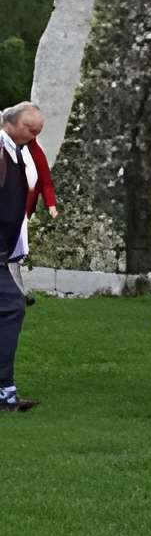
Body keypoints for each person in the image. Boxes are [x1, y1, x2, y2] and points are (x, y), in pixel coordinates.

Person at [0, 101, 42, 412]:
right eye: (30, 128)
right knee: (12, 306)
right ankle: (4, 392)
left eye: (38, 130)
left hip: (3, 251)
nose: (34, 134)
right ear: (10, 122)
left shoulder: (20, 153)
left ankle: (5, 391)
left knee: (11, 307)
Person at [5, 101, 56, 300]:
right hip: (10, 214)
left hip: (20, 214)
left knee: (13, 256)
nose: (33, 135)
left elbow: (45, 181)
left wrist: (51, 204)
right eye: (31, 130)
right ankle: (18, 294)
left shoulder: (32, 150)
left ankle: (17, 294)